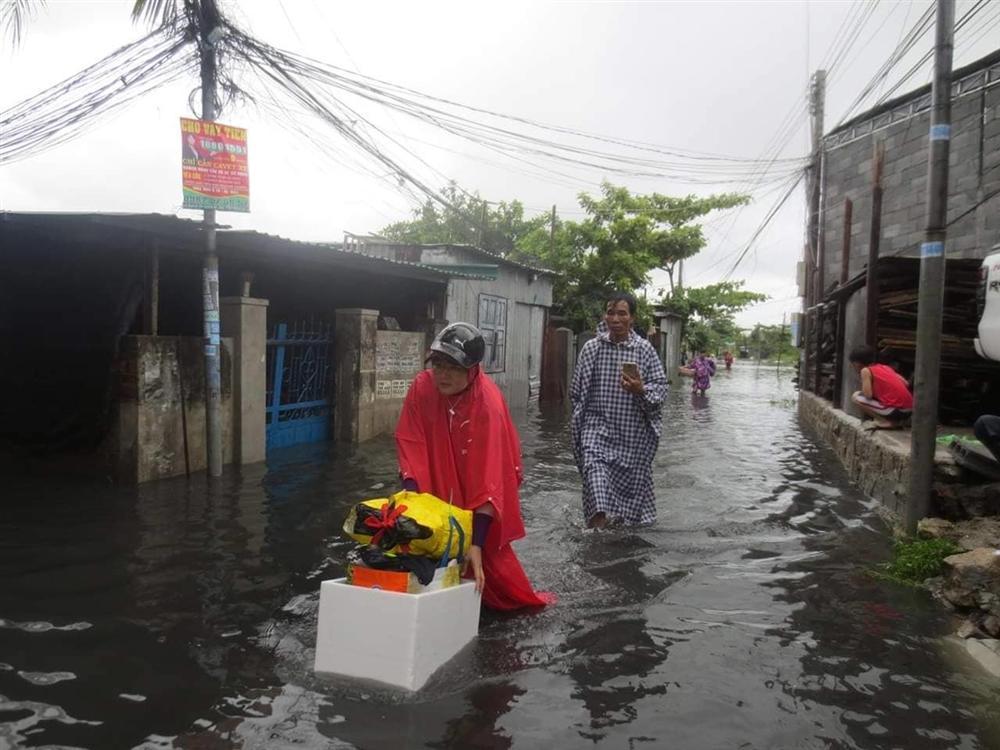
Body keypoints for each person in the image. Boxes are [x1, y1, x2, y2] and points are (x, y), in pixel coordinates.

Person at [395, 322, 551, 610]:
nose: (442, 374)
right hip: (435, 490)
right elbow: (410, 442)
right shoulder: (422, 387)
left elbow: (489, 478)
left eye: (453, 367)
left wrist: (477, 542)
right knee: (428, 550)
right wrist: (414, 502)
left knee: (496, 582)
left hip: (475, 493)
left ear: (472, 369)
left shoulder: (486, 405)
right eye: (438, 364)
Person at [570, 292, 669, 528]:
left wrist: (641, 389)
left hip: (631, 438)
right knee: (596, 485)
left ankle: (617, 541)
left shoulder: (644, 350)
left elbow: (661, 392)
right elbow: (576, 392)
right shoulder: (591, 349)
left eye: (622, 313)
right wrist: (581, 430)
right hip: (596, 435)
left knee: (629, 512)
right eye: (610, 312)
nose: (615, 318)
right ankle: (595, 546)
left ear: (632, 318)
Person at [849, 345, 913, 429]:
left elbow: (868, 395)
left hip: (896, 411)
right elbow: (906, 383)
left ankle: (885, 421)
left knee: (855, 397)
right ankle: (897, 421)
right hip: (909, 410)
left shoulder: (865, 371)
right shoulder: (885, 367)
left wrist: (865, 383)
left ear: (857, 364)